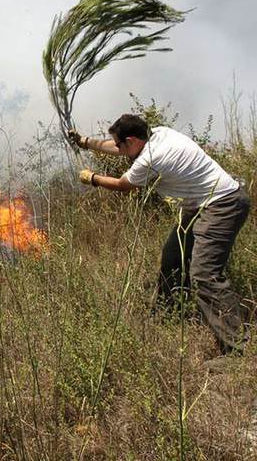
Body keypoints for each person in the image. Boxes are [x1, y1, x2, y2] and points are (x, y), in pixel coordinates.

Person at [69, 114, 251, 354]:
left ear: (132, 140)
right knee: (173, 259)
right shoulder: (159, 133)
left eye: (120, 144)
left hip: (221, 206)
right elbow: (115, 147)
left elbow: (124, 185)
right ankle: (170, 314)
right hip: (201, 205)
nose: (118, 149)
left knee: (204, 274)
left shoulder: (151, 159)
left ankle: (236, 348)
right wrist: (84, 141)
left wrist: (92, 178)